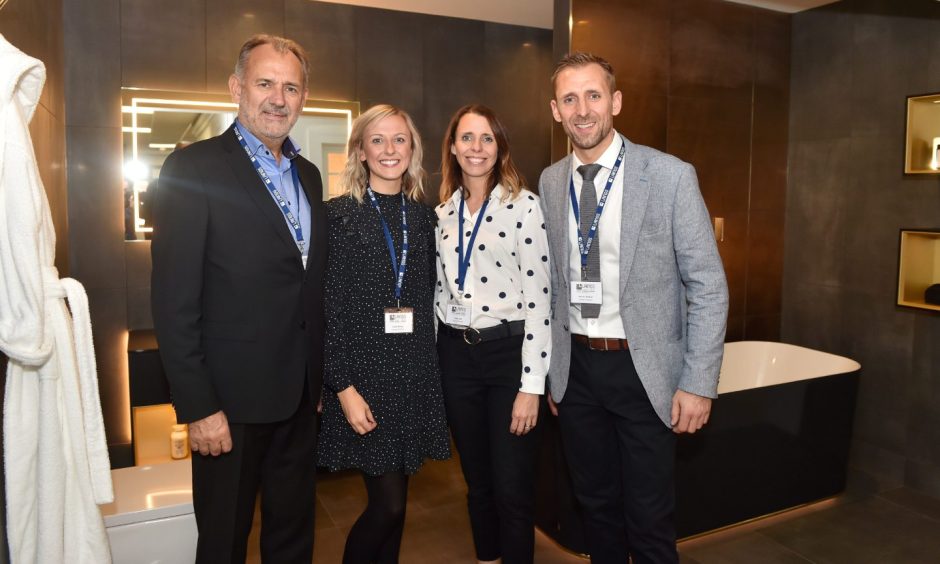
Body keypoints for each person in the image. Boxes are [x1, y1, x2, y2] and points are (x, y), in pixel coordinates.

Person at [538, 52, 729, 564]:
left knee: (648, 517)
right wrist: (555, 371)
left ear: (615, 102)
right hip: (577, 373)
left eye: (593, 95)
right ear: (555, 109)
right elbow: (555, 283)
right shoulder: (550, 182)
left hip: (646, 373)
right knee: (594, 507)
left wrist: (697, 381)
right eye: (569, 98)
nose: (582, 110)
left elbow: (708, 284)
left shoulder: (669, 176)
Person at [151, 34, 325, 563]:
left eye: (291, 87)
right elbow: (174, 301)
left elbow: (306, 286)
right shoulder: (193, 168)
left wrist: (317, 379)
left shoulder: (310, 176)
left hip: (298, 399)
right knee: (224, 542)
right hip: (229, 407)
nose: (279, 98)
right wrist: (200, 407)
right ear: (236, 88)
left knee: (293, 539)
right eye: (265, 83)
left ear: (302, 98)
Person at [318, 104, 451, 564]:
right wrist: (343, 387)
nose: (389, 149)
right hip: (364, 380)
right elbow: (326, 312)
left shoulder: (426, 219)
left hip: (413, 375)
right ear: (360, 151)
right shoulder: (336, 217)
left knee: (399, 509)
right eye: (378, 140)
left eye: (399, 139)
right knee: (387, 504)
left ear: (412, 149)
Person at [434, 104, 551, 564]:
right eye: (466, 138)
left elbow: (542, 300)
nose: (476, 148)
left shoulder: (524, 205)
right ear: (453, 147)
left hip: (508, 357)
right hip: (456, 357)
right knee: (477, 482)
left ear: (499, 146)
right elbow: (440, 293)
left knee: (512, 487)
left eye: (486, 138)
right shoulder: (443, 213)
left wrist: (531, 387)